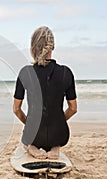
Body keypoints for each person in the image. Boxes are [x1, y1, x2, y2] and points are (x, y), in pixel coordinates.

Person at [13, 26, 77, 159]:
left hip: (34, 135)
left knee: (27, 139)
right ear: (52, 47)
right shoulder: (66, 72)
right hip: (60, 134)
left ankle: (31, 146)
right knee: (56, 135)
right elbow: (73, 109)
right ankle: (55, 147)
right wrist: (58, 120)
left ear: (33, 47)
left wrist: (31, 123)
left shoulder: (26, 72)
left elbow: (16, 109)